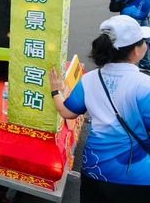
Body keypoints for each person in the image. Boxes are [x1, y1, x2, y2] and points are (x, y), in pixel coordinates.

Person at [50, 15, 150, 203]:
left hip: (95, 170)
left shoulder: (89, 80)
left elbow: (67, 112)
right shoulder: (144, 86)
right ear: (135, 51)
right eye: (143, 42)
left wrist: (56, 90)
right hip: (137, 176)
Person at [121, 0, 150, 69]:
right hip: (134, 14)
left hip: (140, 13)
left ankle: (145, 63)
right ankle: (124, 63)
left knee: (145, 38)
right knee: (133, 39)